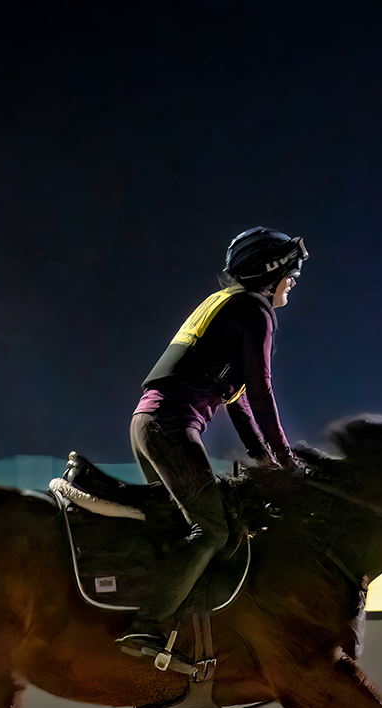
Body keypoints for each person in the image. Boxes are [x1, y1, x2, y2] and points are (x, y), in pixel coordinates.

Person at [117, 226, 307, 664]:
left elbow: (237, 402)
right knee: (214, 529)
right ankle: (147, 626)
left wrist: (264, 456)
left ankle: (181, 632)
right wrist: (288, 461)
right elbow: (261, 393)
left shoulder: (224, 304)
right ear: (269, 273)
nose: (293, 281)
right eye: (290, 273)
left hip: (148, 423)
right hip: (171, 427)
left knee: (189, 528)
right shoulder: (257, 310)